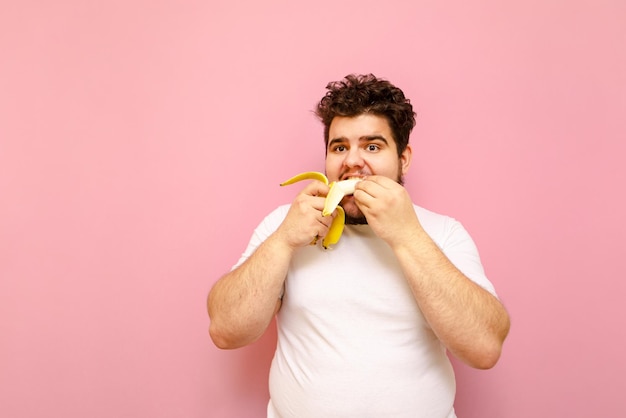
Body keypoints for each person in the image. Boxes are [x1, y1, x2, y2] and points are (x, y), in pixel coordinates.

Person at [207, 74, 510, 418]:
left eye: (372, 146)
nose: (352, 161)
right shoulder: (286, 226)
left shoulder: (443, 232)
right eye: (339, 147)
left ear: (403, 158)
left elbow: (485, 349)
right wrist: (283, 241)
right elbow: (225, 331)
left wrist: (407, 235)